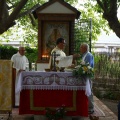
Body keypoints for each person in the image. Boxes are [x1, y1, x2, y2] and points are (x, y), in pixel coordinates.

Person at [79, 43, 94, 114]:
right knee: (86, 91)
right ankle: (86, 106)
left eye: (81, 48)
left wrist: (78, 68)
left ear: (85, 48)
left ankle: (91, 108)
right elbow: (82, 65)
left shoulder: (89, 55)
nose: (80, 49)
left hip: (88, 76)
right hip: (84, 76)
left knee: (89, 91)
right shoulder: (84, 55)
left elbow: (87, 66)